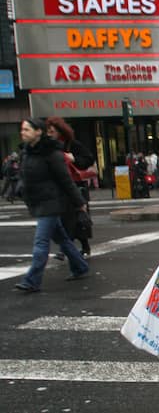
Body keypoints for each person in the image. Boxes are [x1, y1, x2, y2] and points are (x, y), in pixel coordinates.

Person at [14, 118, 89, 293]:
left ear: (38, 132)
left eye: (27, 129)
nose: (23, 132)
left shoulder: (52, 154)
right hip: (38, 201)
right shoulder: (26, 152)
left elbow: (65, 180)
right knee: (62, 239)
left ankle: (32, 280)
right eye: (22, 129)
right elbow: (24, 176)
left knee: (41, 242)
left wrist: (79, 203)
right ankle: (80, 266)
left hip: (51, 203)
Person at [45, 117, 95, 258]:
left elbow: (88, 159)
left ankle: (73, 248)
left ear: (60, 132)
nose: (50, 134)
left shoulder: (72, 145)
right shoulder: (49, 147)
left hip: (75, 186)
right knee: (66, 219)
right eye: (48, 132)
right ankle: (73, 247)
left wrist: (74, 159)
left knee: (77, 218)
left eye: (52, 131)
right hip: (59, 187)